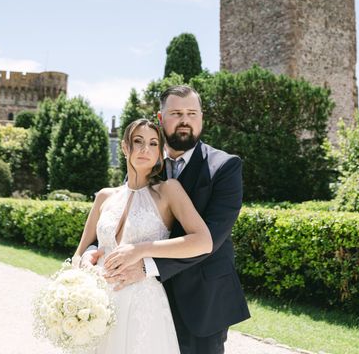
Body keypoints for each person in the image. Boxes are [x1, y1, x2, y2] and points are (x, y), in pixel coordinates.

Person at [90, 85, 250, 354]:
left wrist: (147, 265)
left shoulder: (225, 167)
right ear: (161, 118)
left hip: (202, 301)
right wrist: (93, 253)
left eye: (192, 113)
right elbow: (117, 218)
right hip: (140, 300)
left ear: (201, 117)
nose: (185, 120)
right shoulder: (144, 162)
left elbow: (210, 240)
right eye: (176, 113)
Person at [73, 118, 213, 354]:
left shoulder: (169, 191)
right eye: (137, 141)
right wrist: (85, 260)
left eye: (152, 143)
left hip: (142, 303)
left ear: (160, 153)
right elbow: (78, 254)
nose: (145, 149)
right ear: (125, 147)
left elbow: (203, 241)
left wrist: (142, 249)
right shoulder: (104, 197)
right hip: (97, 302)